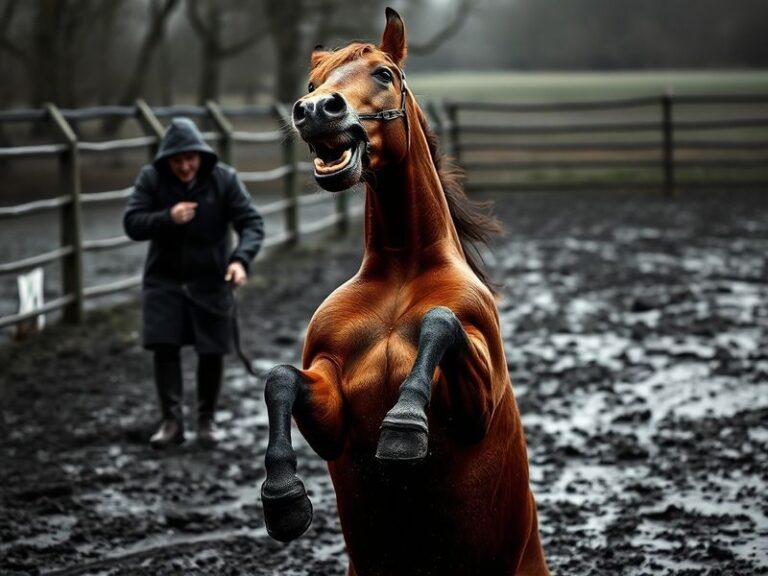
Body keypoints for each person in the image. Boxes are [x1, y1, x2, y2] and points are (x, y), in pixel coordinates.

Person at [124, 117, 264, 449]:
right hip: (164, 280)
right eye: (177, 160)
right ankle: (171, 422)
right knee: (164, 346)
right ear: (166, 160)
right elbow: (132, 222)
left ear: (200, 155)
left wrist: (239, 260)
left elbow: (252, 223)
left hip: (211, 280)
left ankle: (207, 421)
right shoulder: (152, 179)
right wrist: (166, 218)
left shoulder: (224, 179)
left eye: (190, 159)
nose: (185, 166)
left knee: (211, 350)